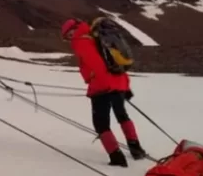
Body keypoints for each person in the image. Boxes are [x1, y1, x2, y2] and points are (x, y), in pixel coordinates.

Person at [61, 18, 146, 167]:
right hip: (119, 84)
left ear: (75, 29)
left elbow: (98, 66)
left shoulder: (81, 41)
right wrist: (125, 87)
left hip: (102, 87)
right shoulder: (97, 37)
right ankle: (136, 149)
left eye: (70, 34)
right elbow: (115, 64)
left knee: (100, 123)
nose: (70, 38)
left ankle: (116, 158)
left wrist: (101, 87)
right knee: (122, 116)